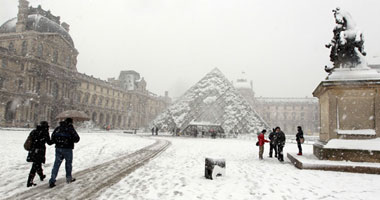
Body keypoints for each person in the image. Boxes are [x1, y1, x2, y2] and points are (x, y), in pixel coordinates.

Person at [49, 118, 80, 188]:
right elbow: (77, 139)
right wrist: (70, 139)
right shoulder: (70, 129)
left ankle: (52, 180)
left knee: (56, 164)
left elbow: (53, 138)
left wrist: (59, 141)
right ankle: (69, 178)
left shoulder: (58, 128)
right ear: (70, 123)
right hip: (68, 149)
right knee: (68, 164)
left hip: (58, 148)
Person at [26, 121, 53, 187]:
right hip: (40, 151)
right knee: (35, 165)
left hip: (32, 150)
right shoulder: (45, 133)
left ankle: (41, 176)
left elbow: (29, 140)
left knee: (37, 164)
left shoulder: (34, 131)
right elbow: (49, 142)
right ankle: (29, 181)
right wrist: (55, 140)